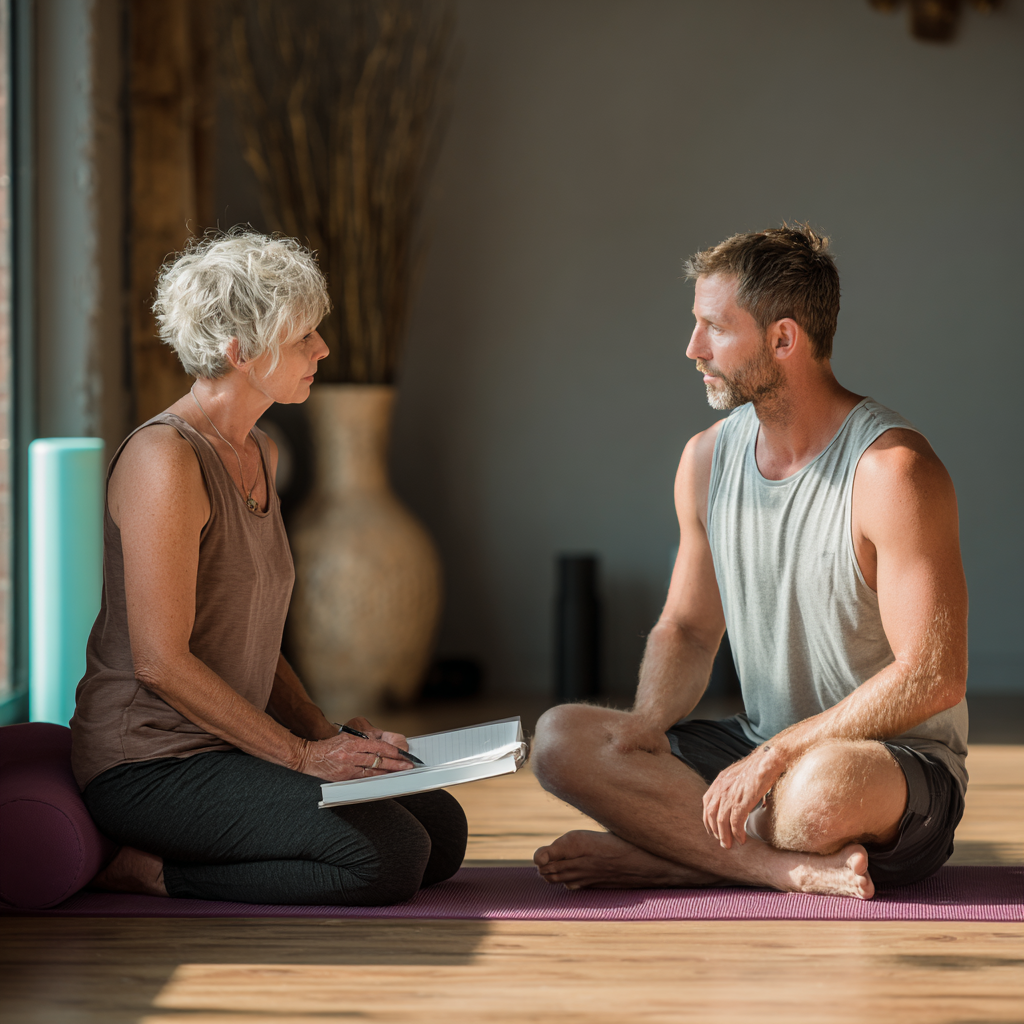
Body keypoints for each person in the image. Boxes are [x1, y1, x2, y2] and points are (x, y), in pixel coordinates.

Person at [530, 225, 968, 899]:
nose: (692, 348)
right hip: (757, 748)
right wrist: (645, 729)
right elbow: (688, 630)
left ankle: (674, 855)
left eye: (714, 327)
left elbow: (933, 676)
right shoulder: (706, 460)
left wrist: (780, 755)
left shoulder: (892, 472)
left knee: (814, 798)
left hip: (887, 768)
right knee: (563, 738)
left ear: (782, 339)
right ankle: (776, 869)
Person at [71, 229, 467, 906]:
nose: (323, 349)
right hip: (151, 765)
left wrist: (324, 730)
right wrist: (303, 758)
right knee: (391, 858)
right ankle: (146, 870)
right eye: (304, 335)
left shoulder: (261, 451)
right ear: (240, 352)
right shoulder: (164, 460)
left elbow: (252, 633)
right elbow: (159, 662)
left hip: (232, 745)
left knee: (441, 830)